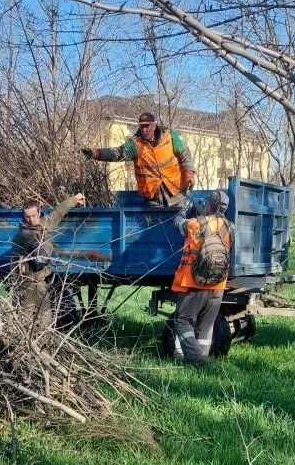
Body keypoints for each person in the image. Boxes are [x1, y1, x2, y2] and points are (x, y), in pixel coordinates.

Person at [168, 189, 233, 366]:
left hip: (193, 282)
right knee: (206, 325)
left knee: (182, 321)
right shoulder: (229, 227)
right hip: (218, 284)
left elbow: (177, 223)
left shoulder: (195, 224)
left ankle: (196, 360)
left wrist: (185, 207)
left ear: (209, 205)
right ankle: (203, 358)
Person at [81, 110, 195, 210]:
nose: (144, 130)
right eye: (142, 126)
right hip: (153, 198)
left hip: (177, 192)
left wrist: (189, 174)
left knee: (180, 226)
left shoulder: (169, 136)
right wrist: (96, 153)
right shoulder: (135, 144)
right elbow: (119, 153)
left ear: (154, 126)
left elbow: (185, 156)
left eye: (147, 126)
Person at [11, 191, 85, 331]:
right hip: (27, 284)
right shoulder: (22, 236)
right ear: (23, 217)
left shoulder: (43, 225)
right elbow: (14, 264)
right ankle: (26, 348)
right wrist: (17, 287)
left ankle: (43, 347)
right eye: (27, 217)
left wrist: (74, 199)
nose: (31, 219)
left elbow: (57, 213)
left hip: (41, 282)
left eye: (34, 215)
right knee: (26, 320)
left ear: (39, 213)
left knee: (46, 319)